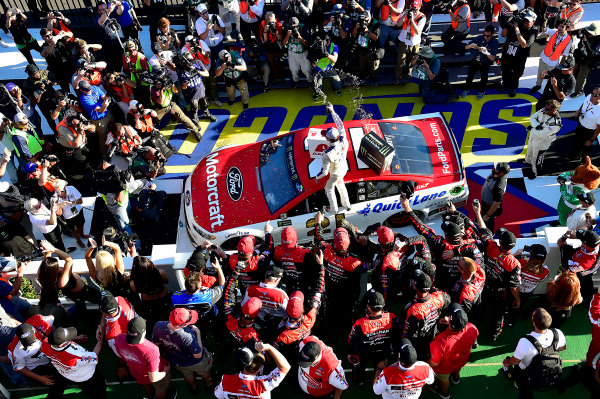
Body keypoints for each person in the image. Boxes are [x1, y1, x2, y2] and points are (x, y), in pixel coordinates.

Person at [474, 216, 522, 341]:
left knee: (479, 308)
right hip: (500, 293)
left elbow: (483, 229)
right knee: (498, 315)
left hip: (483, 286)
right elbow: (514, 286)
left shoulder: (491, 247)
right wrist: (518, 299)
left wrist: (478, 213)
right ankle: (493, 335)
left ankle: (475, 327)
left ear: (500, 243)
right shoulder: (514, 264)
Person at [502, 308, 566, 399]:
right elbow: (563, 347)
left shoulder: (525, 342)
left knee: (522, 385)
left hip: (528, 372)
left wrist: (507, 363)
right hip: (550, 370)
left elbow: (515, 361)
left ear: (533, 323)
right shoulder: (558, 333)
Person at [153, 308, 214, 394]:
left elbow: (156, 343)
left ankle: (194, 388)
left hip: (178, 361)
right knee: (204, 372)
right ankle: (209, 385)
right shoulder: (187, 336)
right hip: (196, 362)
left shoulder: (158, 325)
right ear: (184, 324)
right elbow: (198, 355)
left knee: (187, 375)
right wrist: (198, 333)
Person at [348, 290, 399, 387]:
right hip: (383, 350)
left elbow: (351, 340)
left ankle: (360, 382)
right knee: (381, 366)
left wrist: (350, 353)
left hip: (364, 351)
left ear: (368, 306)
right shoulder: (392, 317)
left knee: (359, 364)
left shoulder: (359, 323)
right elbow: (397, 335)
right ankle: (380, 383)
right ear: (383, 305)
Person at [114, 317, 174, 399]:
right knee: (160, 388)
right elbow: (153, 378)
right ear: (144, 332)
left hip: (137, 371)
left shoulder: (119, 338)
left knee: (145, 382)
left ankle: (150, 395)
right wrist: (164, 371)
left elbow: (121, 355)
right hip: (156, 372)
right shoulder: (152, 350)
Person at [428, 304, 479, 399]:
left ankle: (444, 393)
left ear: (450, 323)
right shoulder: (473, 328)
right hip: (462, 360)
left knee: (444, 379)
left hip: (445, 368)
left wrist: (425, 364)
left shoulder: (440, 341)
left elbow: (434, 363)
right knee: (457, 368)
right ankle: (455, 378)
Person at [41, 327, 106, 399]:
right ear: (63, 343)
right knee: (99, 393)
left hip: (63, 372)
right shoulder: (75, 356)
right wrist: (101, 339)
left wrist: (76, 338)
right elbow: (94, 355)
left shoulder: (44, 344)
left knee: (55, 393)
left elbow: (58, 341)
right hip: (85, 377)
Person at [214, 340, 290, 398]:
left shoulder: (225, 380)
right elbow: (285, 367)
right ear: (259, 368)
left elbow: (218, 395)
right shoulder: (263, 385)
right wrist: (269, 348)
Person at [402, 269, 450, 358]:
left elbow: (409, 334)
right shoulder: (439, 297)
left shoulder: (413, 310)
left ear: (414, 286)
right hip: (434, 335)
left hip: (420, 342)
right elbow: (448, 300)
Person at [315, 103, 350, 214]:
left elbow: (324, 172)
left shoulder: (327, 154)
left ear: (328, 140)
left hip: (335, 173)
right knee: (340, 184)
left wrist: (317, 177)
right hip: (343, 168)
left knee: (329, 188)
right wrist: (333, 112)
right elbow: (340, 125)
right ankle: (347, 205)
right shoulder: (343, 140)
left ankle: (334, 210)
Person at [149, 69, 204, 141]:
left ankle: (195, 131)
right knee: (152, 122)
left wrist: (171, 85)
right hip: (159, 108)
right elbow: (160, 101)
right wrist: (162, 89)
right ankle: (150, 137)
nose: (162, 80)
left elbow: (176, 91)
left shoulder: (166, 80)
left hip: (170, 104)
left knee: (183, 117)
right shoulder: (153, 87)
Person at [241, 265, 289, 340]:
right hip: (276, 324)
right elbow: (289, 313)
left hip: (257, 323)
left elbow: (243, 306)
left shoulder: (251, 289)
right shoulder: (281, 295)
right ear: (277, 280)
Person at [7, 316, 55, 387]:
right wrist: (40, 378)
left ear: (34, 331)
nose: (31, 344)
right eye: (25, 342)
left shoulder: (41, 320)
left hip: (52, 357)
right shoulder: (14, 350)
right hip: (36, 366)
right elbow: (20, 368)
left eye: (31, 339)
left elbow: (52, 322)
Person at [520, 99, 562, 179]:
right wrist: (536, 125)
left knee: (537, 156)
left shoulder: (555, 124)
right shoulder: (544, 109)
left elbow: (541, 134)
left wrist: (533, 128)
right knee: (529, 148)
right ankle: (528, 160)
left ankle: (535, 172)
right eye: (545, 108)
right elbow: (533, 117)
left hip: (543, 140)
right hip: (534, 133)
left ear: (554, 110)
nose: (545, 110)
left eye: (548, 109)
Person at [500, 9, 537, 97]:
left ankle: (513, 88)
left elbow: (524, 45)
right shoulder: (517, 23)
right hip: (508, 53)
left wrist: (517, 29)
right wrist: (507, 24)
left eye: (527, 21)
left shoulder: (533, 31)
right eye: (524, 20)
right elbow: (503, 35)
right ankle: (505, 84)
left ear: (533, 21)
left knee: (516, 74)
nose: (525, 22)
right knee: (505, 71)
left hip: (519, 57)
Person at [129, 256, 172, 332]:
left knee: (153, 316)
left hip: (148, 300)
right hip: (163, 296)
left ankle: (155, 325)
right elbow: (167, 282)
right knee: (166, 311)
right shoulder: (160, 272)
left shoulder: (133, 282)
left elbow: (136, 292)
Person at [558, 229, 600, 303]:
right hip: (590, 268)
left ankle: (587, 302)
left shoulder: (584, 262)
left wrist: (563, 242)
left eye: (582, 241)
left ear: (586, 245)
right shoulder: (595, 242)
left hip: (584, 273)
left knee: (585, 288)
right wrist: (576, 236)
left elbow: (567, 265)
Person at [531, 20, 572, 93]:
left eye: (562, 27)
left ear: (567, 29)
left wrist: (560, 66)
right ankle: (538, 85)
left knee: (551, 78)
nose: (559, 28)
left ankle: (547, 89)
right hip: (544, 57)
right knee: (540, 73)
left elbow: (565, 54)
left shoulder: (569, 40)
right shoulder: (553, 32)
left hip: (553, 62)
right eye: (559, 25)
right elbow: (544, 29)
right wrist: (544, 21)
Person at [78, 80, 114, 156]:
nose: (89, 91)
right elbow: (100, 110)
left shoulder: (94, 88)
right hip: (98, 120)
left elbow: (104, 96)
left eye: (89, 88)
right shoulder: (84, 99)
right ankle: (104, 154)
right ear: (81, 90)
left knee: (114, 127)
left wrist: (106, 99)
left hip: (107, 114)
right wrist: (105, 105)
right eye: (87, 90)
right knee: (102, 137)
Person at [462, 25, 498, 99]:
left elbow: (493, 58)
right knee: (470, 75)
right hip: (476, 59)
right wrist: (470, 46)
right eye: (484, 35)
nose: (485, 37)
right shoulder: (479, 38)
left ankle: (481, 91)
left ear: (492, 35)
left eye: (488, 36)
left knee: (484, 77)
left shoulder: (494, 42)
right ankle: (466, 89)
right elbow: (466, 47)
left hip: (485, 62)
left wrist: (487, 52)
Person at [395, 0, 426, 83]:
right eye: (412, 8)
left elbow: (418, 32)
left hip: (414, 42)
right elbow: (398, 24)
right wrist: (405, 15)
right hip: (403, 40)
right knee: (400, 60)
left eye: (415, 8)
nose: (413, 10)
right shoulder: (406, 12)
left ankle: (409, 72)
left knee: (412, 59)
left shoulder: (422, 17)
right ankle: (397, 76)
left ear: (420, 7)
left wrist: (412, 20)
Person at [568, 86, 600, 161]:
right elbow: (584, 103)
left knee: (586, 147)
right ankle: (575, 155)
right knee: (577, 141)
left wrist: (591, 140)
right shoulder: (589, 96)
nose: (592, 95)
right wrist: (579, 111)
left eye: (595, 95)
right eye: (592, 93)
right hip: (581, 124)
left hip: (590, 131)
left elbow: (599, 128)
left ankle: (585, 162)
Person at [39, 28, 75, 92]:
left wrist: (63, 34)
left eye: (51, 34)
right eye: (47, 36)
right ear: (43, 38)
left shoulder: (59, 40)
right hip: (59, 72)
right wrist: (52, 44)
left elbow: (71, 34)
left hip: (69, 67)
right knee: (66, 90)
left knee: (77, 85)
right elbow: (44, 54)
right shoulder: (44, 47)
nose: (50, 37)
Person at [571, 23, 600, 99]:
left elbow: (592, 54)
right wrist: (578, 32)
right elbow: (572, 32)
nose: (589, 34)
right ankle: (573, 85)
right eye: (589, 32)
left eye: (591, 33)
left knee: (582, 75)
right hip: (580, 55)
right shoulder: (585, 32)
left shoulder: (598, 40)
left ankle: (579, 91)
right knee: (575, 71)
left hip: (589, 59)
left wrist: (586, 42)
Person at [479, 162, 509, 231]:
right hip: (486, 201)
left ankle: (489, 233)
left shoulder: (498, 188)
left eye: (497, 169)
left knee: (488, 223)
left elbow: (496, 203)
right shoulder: (495, 174)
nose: (494, 169)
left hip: (489, 206)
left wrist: (487, 215)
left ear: (501, 173)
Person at [311, 34, 342, 100]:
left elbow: (334, 59)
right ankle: (316, 92)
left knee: (338, 86)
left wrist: (326, 54)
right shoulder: (316, 46)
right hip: (318, 70)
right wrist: (314, 61)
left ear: (329, 41)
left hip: (330, 69)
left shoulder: (334, 46)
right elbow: (312, 62)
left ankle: (336, 89)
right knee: (317, 88)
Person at [284, 17, 311, 88]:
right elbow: (283, 43)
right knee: (293, 69)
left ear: (298, 25)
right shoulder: (286, 27)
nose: (294, 28)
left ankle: (310, 81)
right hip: (292, 51)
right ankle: (295, 80)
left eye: (296, 26)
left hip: (303, 51)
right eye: (292, 26)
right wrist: (287, 35)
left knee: (307, 69)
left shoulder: (303, 27)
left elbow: (307, 44)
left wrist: (300, 37)